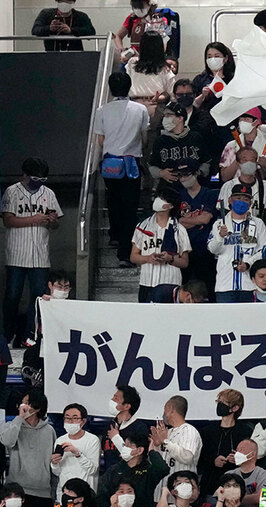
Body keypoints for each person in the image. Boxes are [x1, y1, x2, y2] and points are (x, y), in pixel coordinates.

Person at [0, 158, 62, 345]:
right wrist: (34, 218)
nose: (39, 182)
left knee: (38, 297)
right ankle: (7, 335)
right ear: (25, 175)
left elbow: (56, 223)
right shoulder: (12, 191)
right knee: (12, 296)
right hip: (17, 253)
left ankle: (31, 335)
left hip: (40, 255)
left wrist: (52, 221)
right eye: (35, 178)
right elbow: (8, 220)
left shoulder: (48, 193)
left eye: (42, 179)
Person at [95, 71, 148, 267]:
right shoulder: (140, 109)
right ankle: (125, 253)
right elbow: (144, 137)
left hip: (110, 164)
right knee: (130, 207)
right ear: (129, 86)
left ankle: (114, 235)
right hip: (131, 164)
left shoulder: (102, 111)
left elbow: (101, 140)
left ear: (110, 88)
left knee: (113, 200)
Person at [207, 184, 266, 302]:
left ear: (250, 203)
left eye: (246, 199)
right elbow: (212, 249)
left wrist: (248, 264)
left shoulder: (258, 223)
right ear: (230, 200)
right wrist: (220, 236)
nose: (242, 202)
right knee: (226, 320)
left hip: (250, 285)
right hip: (225, 284)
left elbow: (263, 250)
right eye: (238, 198)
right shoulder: (219, 223)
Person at [0, 391, 56, 507]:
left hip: (43, 492)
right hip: (17, 491)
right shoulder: (12, 425)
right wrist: (19, 419)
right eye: (22, 402)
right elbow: (7, 441)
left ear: (37, 407)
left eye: (27, 403)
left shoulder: (49, 430)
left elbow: (53, 461)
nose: (23, 406)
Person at [130, 186, 191, 303]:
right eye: (158, 197)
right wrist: (147, 258)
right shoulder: (142, 226)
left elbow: (184, 262)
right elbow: (133, 256)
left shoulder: (179, 229)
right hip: (146, 282)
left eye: (162, 198)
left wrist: (170, 259)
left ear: (171, 205)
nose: (158, 200)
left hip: (170, 284)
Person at [49, 403, 100, 502]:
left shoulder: (92, 440)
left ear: (83, 421)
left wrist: (78, 454)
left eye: (75, 418)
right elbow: (57, 472)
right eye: (67, 418)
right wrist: (54, 463)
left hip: (85, 497)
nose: (70, 421)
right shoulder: (60, 440)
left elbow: (92, 470)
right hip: (63, 495)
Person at [114, 0, 181, 60]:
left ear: (150, 4)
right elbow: (118, 36)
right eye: (135, 6)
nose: (138, 9)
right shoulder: (131, 18)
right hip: (133, 56)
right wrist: (121, 48)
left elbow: (165, 40)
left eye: (141, 6)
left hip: (154, 58)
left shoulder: (161, 19)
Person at [31, 0, 96, 51]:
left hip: (75, 56)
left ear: (73, 2)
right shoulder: (46, 14)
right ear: (57, 1)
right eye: (62, 1)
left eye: (68, 2)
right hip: (51, 56)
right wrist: (49, 28)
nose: (64, 4)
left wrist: (71, 30)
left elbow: (91, 31)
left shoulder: (81, 16)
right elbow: (35, 30)